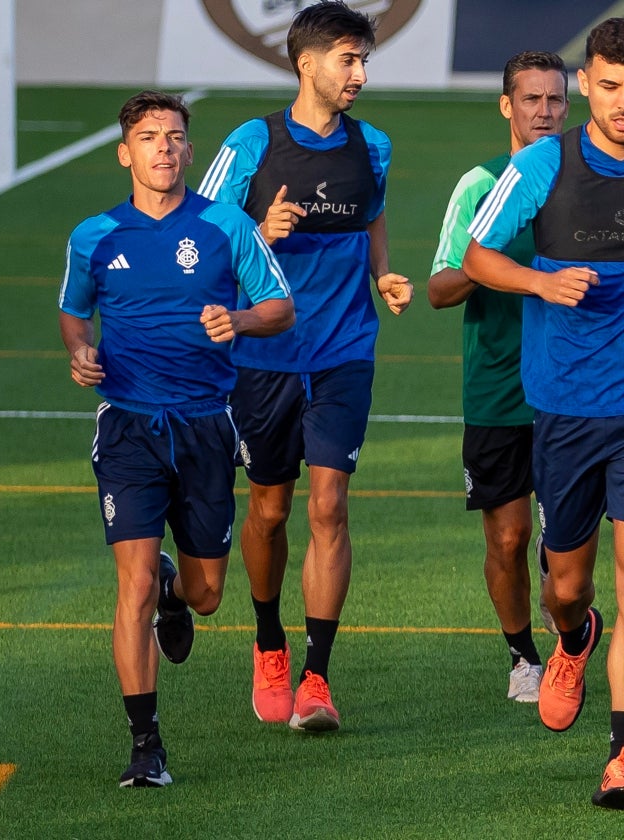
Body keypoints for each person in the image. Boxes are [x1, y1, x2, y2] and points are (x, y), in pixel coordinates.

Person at [60, 90, 294, 787]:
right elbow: (75, 314)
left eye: (174, 136)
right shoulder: (93, 235)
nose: (163, 147)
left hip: (204, 426)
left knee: (206, 594)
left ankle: (175, 586)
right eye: (149, 136)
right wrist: (80, 352)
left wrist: (240, 323)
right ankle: (145, 743)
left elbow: (280, 308)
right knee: (127, 585)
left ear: (190, 151)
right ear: (125, 152)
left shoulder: (227, 226)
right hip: (129, 424)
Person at [197, 0, 412, 731]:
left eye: (363, 60)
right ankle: (268, 643)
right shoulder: (250, 144)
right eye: (347, 60)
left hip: (346, 350)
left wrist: (383, 272)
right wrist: (259, 230)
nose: (358, 74)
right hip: (264, 356)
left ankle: (317, 678)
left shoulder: (373, 145)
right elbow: (194, 240)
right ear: (306, 63)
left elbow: (372, 212)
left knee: (329, 506)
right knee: (269, 508)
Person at [463, 17, 624, 810]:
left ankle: (622, 755)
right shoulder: (539, 166)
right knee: (567, 584)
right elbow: (473, 256)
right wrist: (541, 284)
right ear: (587, 86)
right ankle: (572, 637)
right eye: (611, 87)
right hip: (563, 407)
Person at [427, 51, 569, 704]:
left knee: (569, 557)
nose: (544, 111)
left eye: (555, 100)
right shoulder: (479, 185)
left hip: (576, 388)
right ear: (507, 106)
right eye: (531, 100)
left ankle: (568, 629)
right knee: (508, 538)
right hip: (498, 389)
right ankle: (522, 659)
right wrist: (505, 267)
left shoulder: (588, 181)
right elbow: (440, 287)